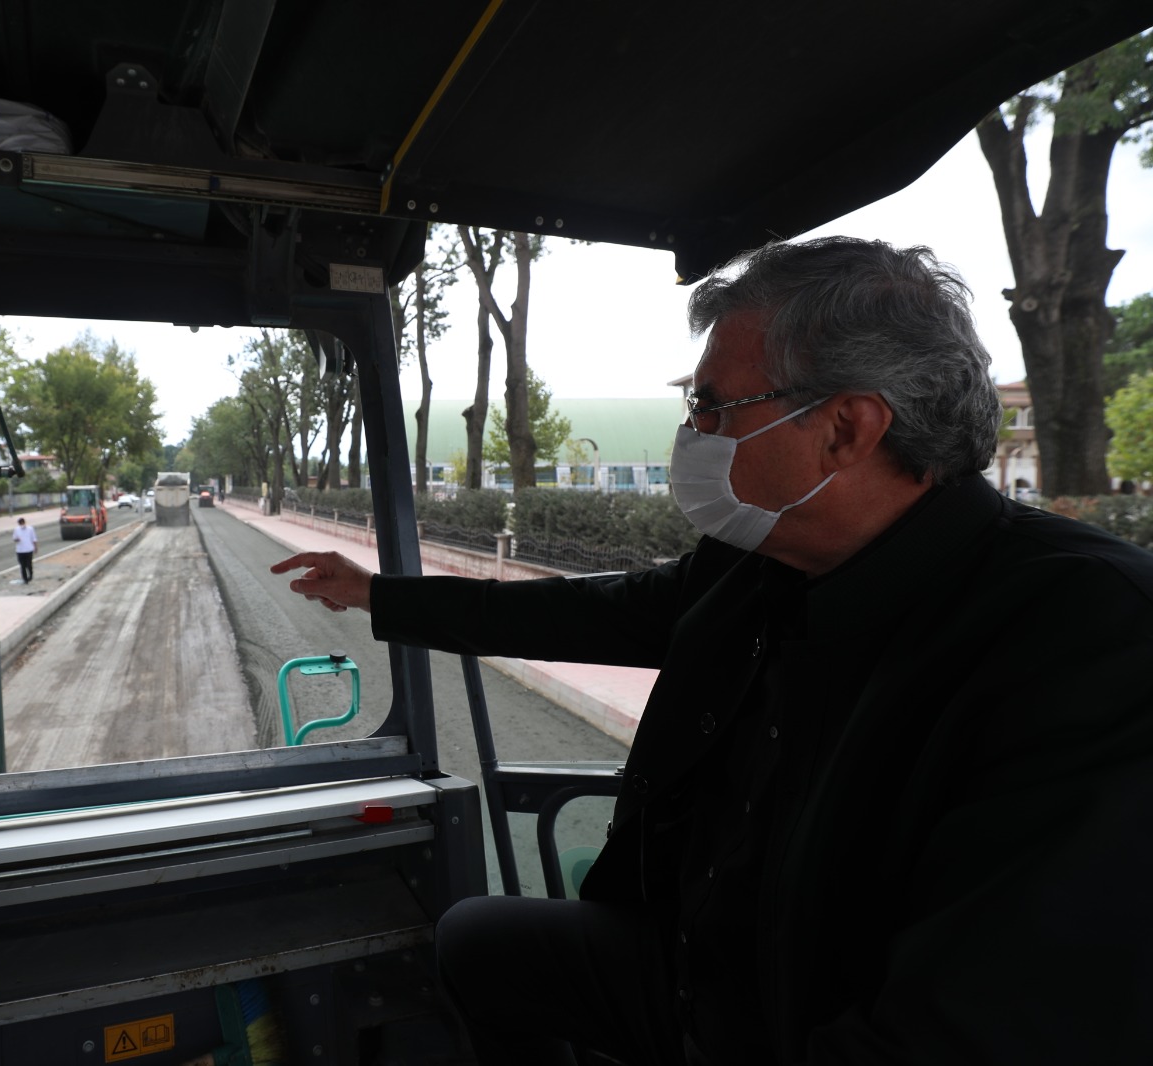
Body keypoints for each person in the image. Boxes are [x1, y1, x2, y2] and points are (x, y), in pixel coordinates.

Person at [271, 237, 1153, 1064]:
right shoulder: (759, 564)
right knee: (480, 942)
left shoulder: (1085, 633)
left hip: (815, 1009)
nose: (690, 435)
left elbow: (977, 1026)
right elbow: (585, 613)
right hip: (702, 965)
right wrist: (375, 593)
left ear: (846, 428)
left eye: (712, 407)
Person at [12, 516, 38, 583]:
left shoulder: (30, 529)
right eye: (20, 524)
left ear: (24, 522)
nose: (22, 525)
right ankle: (25, 579)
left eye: (22, 523)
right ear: (19, 524)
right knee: (22, 565)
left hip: (29, 549)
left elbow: (34, 538)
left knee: (29, 564)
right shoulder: (16, 529)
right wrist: (17, 539)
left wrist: (35, 547)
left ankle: (30, 575)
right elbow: (14, 538)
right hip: (20, 550)